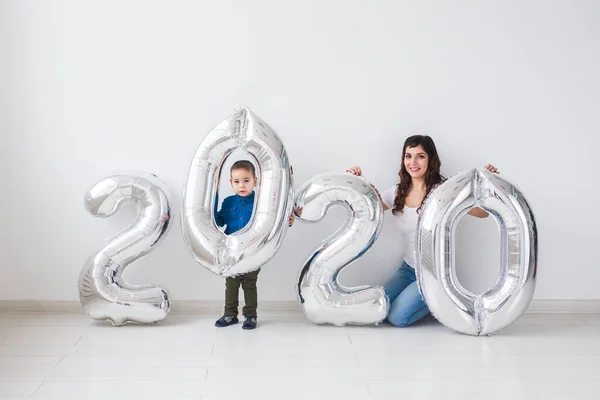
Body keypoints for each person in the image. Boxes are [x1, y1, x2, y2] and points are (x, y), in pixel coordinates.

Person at [347, 135, 498, 327]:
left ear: (431, 160)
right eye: (408, 156)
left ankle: (439, 299)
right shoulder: (397, 192)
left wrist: (488, 184)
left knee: (397, 318)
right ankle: (424, 300)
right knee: (378, 307)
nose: (413, 162)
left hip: (433, 273)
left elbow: (481, 213)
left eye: (420, 156)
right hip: (408, 269)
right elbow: (367, 209)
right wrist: (357, 181)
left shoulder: (442, 191)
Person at [213, 160, 295, 330]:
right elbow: (219, 221)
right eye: (236, 181)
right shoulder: (228, 202)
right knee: (232, 283)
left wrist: (289, 221)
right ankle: (230, 314)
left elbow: (273, 222)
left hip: (253, 252)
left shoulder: (261, 202)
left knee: (249, 284)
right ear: (231, 183)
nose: (241, 185)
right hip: (232, 253)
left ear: (255, 181)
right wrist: (210, 205)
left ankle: (250, 315)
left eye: (246, 180)